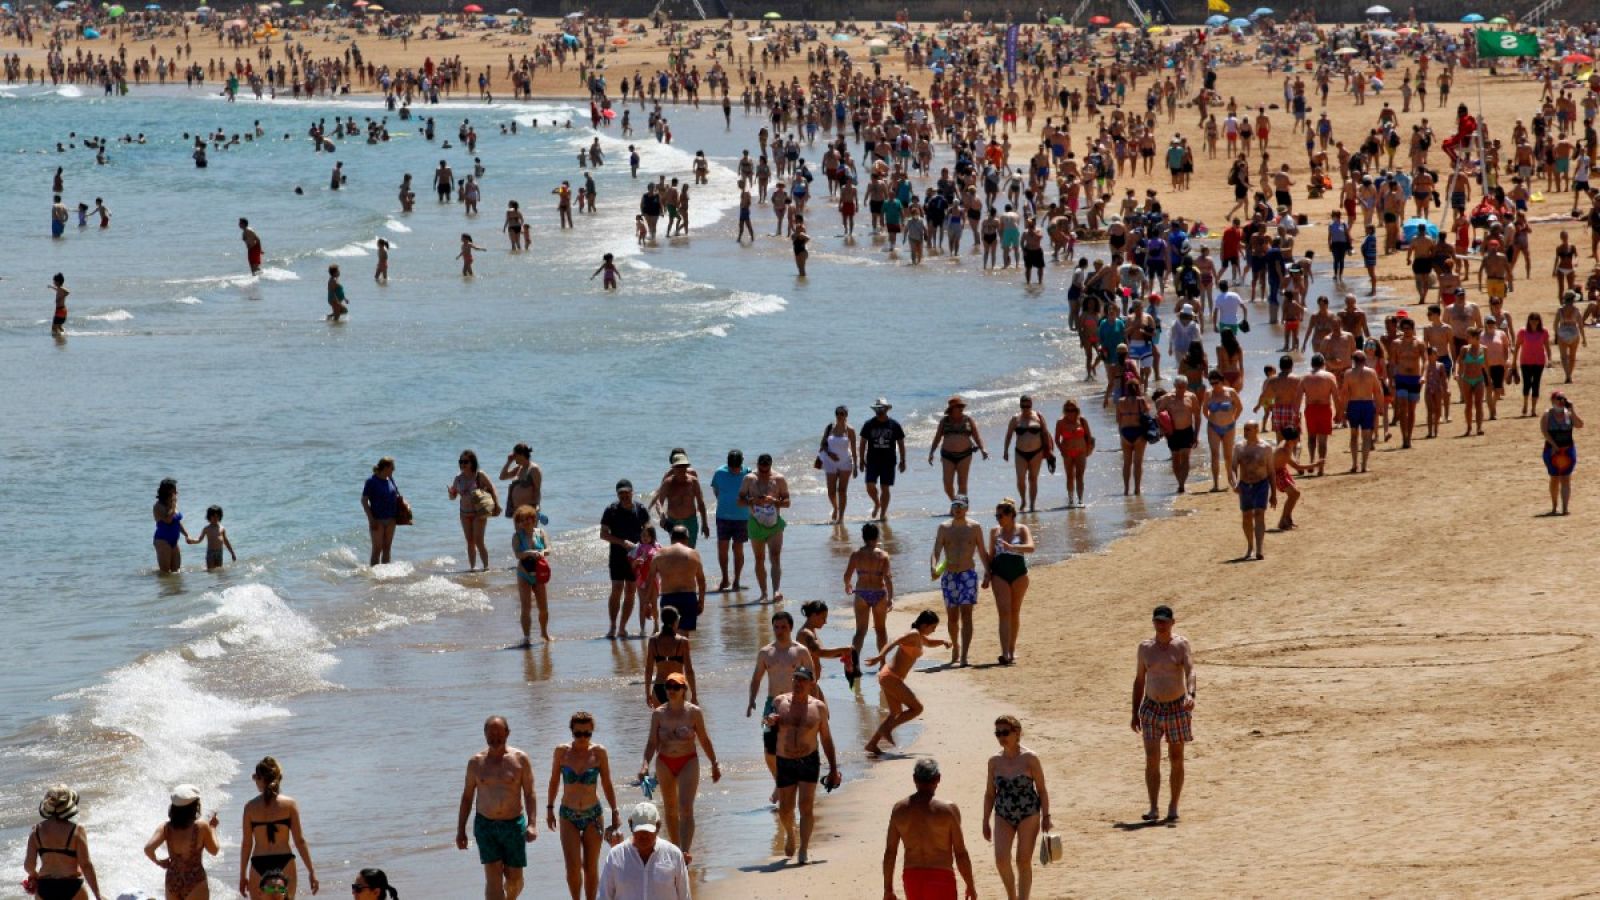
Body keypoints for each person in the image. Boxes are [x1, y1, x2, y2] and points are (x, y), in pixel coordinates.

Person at [637, 673, 721, 858]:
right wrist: (644, 765)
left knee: (685, 807)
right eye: (668, 686)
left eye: (676, 687)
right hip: (664, 762)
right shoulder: (658, 714)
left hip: (688, 760)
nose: (672, 690)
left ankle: (685, 850)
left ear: (684, 690)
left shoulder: (694, 712)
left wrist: (714, 763)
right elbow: (652, 742)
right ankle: (675, 850)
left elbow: (704, 740)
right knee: (670, 808)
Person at [764, 666, 841, 864]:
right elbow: (766, 727)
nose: (798, 683)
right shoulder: (780, 702)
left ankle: (804, 849)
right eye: (795, 679)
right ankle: (790, 833)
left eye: (802, 680)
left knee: (806, 806)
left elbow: (826, 738)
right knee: (785, 809)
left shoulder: (819, 708)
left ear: (811, 683)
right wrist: (768, 721)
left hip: (809, 759)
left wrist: (833, 768)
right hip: (785, 760)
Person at [457, 716, 537, 900]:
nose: (495, 737)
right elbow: (467, 797)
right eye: (490, 733)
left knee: (514, 879)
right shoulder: (475, 763)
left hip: (514, 824)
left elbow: (530, 793)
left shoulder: (520, 759)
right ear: (484, 734)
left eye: (499, 733)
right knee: (493, 878)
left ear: (507, 733)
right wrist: (461, 830)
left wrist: (532, 824)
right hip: (485, 825)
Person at [1131, 605, 1196, 823]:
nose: (1160, 625)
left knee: (1176, 758)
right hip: (1151, 708)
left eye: (1164, 621)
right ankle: (1153, 807)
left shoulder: (1181, 645)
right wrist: (1134, 712)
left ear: (1172, 622)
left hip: (1177, 707)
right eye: (1157, 621)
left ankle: (1173, 806)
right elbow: (1139, 680)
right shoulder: (1145, 648)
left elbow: (1190, 670)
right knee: (1152, 759)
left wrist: (1191, 694)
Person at [882, 758, 978, 900]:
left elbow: (890, 852)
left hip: (912, 877)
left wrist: (888, 889)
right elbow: (960, 853)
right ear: (938, 778)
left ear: (914, 779)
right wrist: (970, 885)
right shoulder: (948, 810)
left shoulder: (899, 810)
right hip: (941, 876)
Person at [548, 711, 620, 900]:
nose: (582, 738)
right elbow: (554, 780)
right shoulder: (561, 752)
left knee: (590, 867)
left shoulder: (599, 753)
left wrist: (615, 810)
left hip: (593, 814)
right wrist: (549, 808)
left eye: (587, 734)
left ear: (592, 732)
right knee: (572, 867)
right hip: (568, 815)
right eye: (578, 733)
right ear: (571, 731)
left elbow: (607, 783)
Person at [983, 716, 1052, 900]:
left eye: (1005, 732)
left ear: (1017, 733)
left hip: (1028, 813)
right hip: (1002, 814)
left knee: (1023, 860)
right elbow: (990, 793)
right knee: (1001, 859)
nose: (1001, 736)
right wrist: (985, 821)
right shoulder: (994, 761)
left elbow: (1042, 790)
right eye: (998, 733)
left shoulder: (1030, 758)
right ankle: (1012, 896)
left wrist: (1046, 816)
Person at [865, 610, 950, 756]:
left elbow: (929, 643)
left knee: (895, 713)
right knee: (917, 708)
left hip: (889, 677)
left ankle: (872, 744)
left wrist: (943, 642)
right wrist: (880, 656)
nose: (934, 630)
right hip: (891, 677)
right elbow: (894, 641)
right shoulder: (913, 634)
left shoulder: (919, 636)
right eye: (933, 627)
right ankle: (886, 729)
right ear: (924, 625)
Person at [746, 611, 817, 788]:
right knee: (769, 750)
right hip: (773, 704)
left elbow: (812, 680)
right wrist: (751, 700)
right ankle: (780, 783)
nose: (779, 630)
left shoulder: (800, 651)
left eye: (783, 627)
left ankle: (801, 782)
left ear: (791, 627)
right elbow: (756, 678)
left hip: (797, 702)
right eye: (776, 627)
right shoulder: (766, 653)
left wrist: (816, 704)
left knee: (800, 745)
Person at [239, 757, 318, 899]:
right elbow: (299, 841)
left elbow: (246, 844)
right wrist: (311, 871)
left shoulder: (250, 807)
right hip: (285, 861)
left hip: (259, 863)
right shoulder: (290, 804)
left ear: (261, 779)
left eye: (255, 777)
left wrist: (242, 875)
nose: (255, 781)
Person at [930, 496, 990, 667]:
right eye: (954, 505)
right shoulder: (944, 528)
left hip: (968, 575)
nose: (957, 508)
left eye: (960, 506)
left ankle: (964, 655)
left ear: (967, 508)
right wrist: (933, 567)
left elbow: (982, 551)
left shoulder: (974, 527)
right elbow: (936, 551)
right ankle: (955, 645)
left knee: (967, 615)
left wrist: (987, 572)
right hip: (949, 575)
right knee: (952, 617)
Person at [596, 803, 691, 900]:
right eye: (640, 830)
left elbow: (685, 896)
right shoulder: (615, 856)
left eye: (648, 831)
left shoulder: (674, 855)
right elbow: (604, 896)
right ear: (631, 827)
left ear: (657, 828)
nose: (644, 836)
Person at [25, 786, 104, 900]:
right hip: (72, 886)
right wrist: (97, 895)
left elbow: (28, 865)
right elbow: (86, 865)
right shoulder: (77, 830)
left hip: (45, 888)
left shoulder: (36, 831)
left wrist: (34, 875)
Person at [144, 784, 219, 900]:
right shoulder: (201, 826)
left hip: (172, 879)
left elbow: (148, 849)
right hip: (195, 880)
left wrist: (159, 862)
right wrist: (213, 828)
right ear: (195, 806)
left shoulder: (165, 827)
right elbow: (214, 850)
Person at [600, 480, 651, 638]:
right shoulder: (611, 510)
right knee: (616, 589)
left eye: (626, 493)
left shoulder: (640, 509)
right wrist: (622, 543)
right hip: (617, 555)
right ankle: (612, 626)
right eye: (621, 493)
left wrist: (645, 550)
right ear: (617, 494)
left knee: (630, 591)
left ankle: (622, 627)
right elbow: (603, 534)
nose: (624, 496)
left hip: (636, 557)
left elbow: (649, 531)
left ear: (632, 492)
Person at [986, 499, 1034, 666]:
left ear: (1011, 515)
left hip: (1019, 574)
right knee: (1004, 612)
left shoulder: (1021, 530)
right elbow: (991, 555)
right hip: (999, 574)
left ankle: (1012, 650)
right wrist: (986, 575)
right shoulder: (994, 532)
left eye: (1000, 515)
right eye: (996, 515)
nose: (998, 518)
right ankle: (1004, 652)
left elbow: (1031, 548)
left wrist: (1013, 547)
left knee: (1014, 612)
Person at [739, 454, 790, 603]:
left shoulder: (779, 479)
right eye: (761, 470)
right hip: (756, 523)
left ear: (771, 466)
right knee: (759, 558)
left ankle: (776, 591)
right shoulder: (749, 479)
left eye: (766, 470)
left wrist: (775, 501)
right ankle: (763, 593)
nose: (764, 473)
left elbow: (787, 502)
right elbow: (739, 501)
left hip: (774, 524)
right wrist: (752, 500)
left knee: (775, 556)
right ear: (757, 465)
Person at [844, 521, 895, 659]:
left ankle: (854, 662)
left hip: (862, 593)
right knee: (880, 630)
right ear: (877, 537)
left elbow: (847, 575)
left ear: (863, 537)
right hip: (879, 593)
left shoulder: (856, 555)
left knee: (860, 631)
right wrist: (891, 598)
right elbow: (888, 578)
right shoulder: (883, 556)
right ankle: (882, 662)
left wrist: (848, 585)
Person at [928, 396, 988, 501]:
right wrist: (931, 453)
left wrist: (983, 449)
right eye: (958, 406)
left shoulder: (968, 420)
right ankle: (955, 502)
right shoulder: (944, 421)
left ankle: (961, 508)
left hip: (965, 455)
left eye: (962, 406)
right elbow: (937, 438)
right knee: (947, 484)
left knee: (962, 483)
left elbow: (976, 436)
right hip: (947, 455)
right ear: (952, 409)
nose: (961, 408)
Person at [449, 449, 500, 571]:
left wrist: (497, 505)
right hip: (464, 513)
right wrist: (451, 494)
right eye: (460, 462)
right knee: (470, 541)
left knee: (478, 540)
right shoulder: (458, 478)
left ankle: (486, 567)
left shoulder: (479, 475)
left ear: (472, 462)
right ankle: (472, 568)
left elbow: (493, 489)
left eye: (465, 462)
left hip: (479, 513)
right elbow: (453, 497)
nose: (462, 464)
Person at [1231, 422, 1276, 561]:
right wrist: (1234, 483)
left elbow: (1271, 472)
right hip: (1245, 485)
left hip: (1261, 484)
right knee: (1246, 516)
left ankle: (1259, 548)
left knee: (1259, 513)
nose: (1245, 432)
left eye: (1248, 429)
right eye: (1244, 429)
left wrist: (1274, 494)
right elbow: (1233, 468)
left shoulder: (1266, 448)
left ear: (1257, 430)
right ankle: (1250, 546)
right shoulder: (1239, 447)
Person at [1002, 396, 1053, 512]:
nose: (1025, 408)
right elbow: (1009, 435)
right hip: (1020, 453)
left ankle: (1032, 504)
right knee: (1020, 479)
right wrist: (1005, 451)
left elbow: (1045, 433)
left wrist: (1049, 450)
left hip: (1037, 452)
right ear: (1020, 405)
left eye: (1028, 406)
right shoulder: (1015, 419)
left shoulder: (1038, 416)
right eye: (1023, 406)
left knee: (1033, 478)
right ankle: (1023, 500)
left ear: (1031, 405)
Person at [859, 397, 907, 520]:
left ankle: (883, 513)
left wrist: (903, 460)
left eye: (881, 408)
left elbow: (901, 443)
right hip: (872, 461)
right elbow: (863, 442)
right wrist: (861, 459)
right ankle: (877, 503)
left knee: (885, 488)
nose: (879, 410)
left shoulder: (894, 425)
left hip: (888, 461)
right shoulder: (868, 424)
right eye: (877, 408)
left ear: (886, 409)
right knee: (870, 486)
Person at [649, 449, 709, 548]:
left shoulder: (693, 481)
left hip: (691, 521)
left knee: (690, 551)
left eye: (684, 466)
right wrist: (662, 516)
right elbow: (659, 502)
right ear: (673, 467)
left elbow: (701, 503)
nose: (681, 469)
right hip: (673, 522)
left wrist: (705, 524)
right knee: (677, 550)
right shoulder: (667, 482)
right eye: (678, 467)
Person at [651, 526, 706, 632]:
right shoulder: (694, 554)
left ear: (671, 539)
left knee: (670, 633)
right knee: (684, 636)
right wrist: (701, 601)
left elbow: (650, 581)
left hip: (668, 597)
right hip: (688, 598)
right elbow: (701, 581)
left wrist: (647, 603)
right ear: (687, 539)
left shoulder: (659, 555)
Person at [709, 450, 749, 592]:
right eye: (732, 466)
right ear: (728, 463)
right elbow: (716, 491)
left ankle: (737, 580)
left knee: (738, 549)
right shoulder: (719, 472)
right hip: (723, 516)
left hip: (742, 518)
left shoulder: (748, 473)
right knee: (722, 548)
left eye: (737, 466)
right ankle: (725, 578)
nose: (735, 469)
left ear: (742, 462)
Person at [511, 505, 552, 644]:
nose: (524, 523)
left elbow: (549, 548)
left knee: (543, 608)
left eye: (527, 519)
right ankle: (527, 637)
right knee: (526, 607)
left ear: (533, 519)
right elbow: (517, 554)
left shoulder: (541, 532)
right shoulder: (517, 536)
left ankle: (544, 633)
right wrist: (528, 553)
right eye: (521, 520)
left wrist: (542, 552)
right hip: (524, 573)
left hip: (539, 573)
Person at [643, 606, 697, 708]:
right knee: (679, 723)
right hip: (678, 687)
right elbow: (689, 670)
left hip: (659, 688)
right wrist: (694, 694)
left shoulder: (653, 641)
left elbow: (649, 669)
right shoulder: (682, 642)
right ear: (676, 621)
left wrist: (647, 693)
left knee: (660, 722)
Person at [1541, 391, 1583, 515]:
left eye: (1563, 399)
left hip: (1568, 450)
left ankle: (1565, 508)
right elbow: (1544, 432)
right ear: (1552, 400)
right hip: (1551, 451)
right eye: (1559, 398)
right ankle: (1554, 506)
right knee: (1554, 478)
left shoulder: (1569, 414)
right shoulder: (1547, 415)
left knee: (1566, 479)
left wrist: (1573, 410)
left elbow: (1580, 425)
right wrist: (1554, 446)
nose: (1561, 401)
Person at [817, 405, 859, 523]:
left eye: (842, 414)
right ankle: (835, 508)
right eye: (838, 414)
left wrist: (855, 466)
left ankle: (841, 518)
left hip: (845, 462)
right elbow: (823, 444)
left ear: (846, 415)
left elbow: (854, 449)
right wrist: (830, 454)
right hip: (830, 462)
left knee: (842, 491)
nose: (840, 416)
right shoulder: (830, 427)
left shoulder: (850, 430)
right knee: (831, 491)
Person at [1052, 399, 1095, 507]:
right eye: (1068, 410)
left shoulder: (1082, 420)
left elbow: (1089, 437)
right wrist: (1062, 450)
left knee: (1080, 476)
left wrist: (1089, 450)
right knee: (1070, 476)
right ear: (1064, 410)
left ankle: (1080, 500)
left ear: (1077, 410)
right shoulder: (1060, 422)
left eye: (1073, 409)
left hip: (1081, 452)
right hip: (1067, 453)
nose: (1070, 412)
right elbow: (1056, 439)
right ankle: (1071, 500)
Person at [361, 457, 401, 566]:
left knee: (387, 548)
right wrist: (371, 519)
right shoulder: (371, 481)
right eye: (392, 468)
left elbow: (397, 494)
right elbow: (364, 501)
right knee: (377, 550)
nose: (394, 470)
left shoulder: (390, 479)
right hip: (377, 519)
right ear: (386, 467)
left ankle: (386, 576)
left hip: (391, 519)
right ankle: (374, 577)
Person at [153, 478, 190, 574]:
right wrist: (173, 505)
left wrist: (186, 535)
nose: (177, 492)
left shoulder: (172, 504)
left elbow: (177, 521)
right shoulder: (158, 506)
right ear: (168, 491)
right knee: (165, 573)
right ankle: (164, 589)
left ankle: (175, 589)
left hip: (174, 541)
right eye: (174, 490)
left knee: (176, 572)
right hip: (162, 540)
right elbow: (168, 520)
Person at [187, 505, 236, 571]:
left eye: (217, 516)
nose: (215, 518)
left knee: (219, 571)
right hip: (211, 553)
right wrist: (192, 541)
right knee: (211, 571)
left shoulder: (222, 528)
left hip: (219, 552)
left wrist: (232, 553)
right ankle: (210, 581)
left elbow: (226, 542)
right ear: (209, 517)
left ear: (220, 517)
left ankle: (218, 582)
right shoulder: (207, 529)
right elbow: (199, 539)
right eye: (213, 516)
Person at [499, 443, 542, 518]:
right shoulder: (519, 468)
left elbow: (537, 490)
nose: (514, 458)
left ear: (521, 455)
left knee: (529, 530)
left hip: (529, 509)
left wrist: (537, 506)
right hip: (517, 510)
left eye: (515, 455)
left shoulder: (534, 469)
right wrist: (508, 462)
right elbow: (502, 477)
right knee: (519, 530)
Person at [49, 272, 68, 337]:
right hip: (62, 310)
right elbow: (57, 289)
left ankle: (59, 338)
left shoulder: (61, 288)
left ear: (58, 282)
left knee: (54, 328)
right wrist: (52, 287)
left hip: (60, 310)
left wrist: (60, 298)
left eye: (54, 281)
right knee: (59, 326)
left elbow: (67, 292)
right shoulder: (59, 289)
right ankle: (64, 335)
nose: (53, 282)